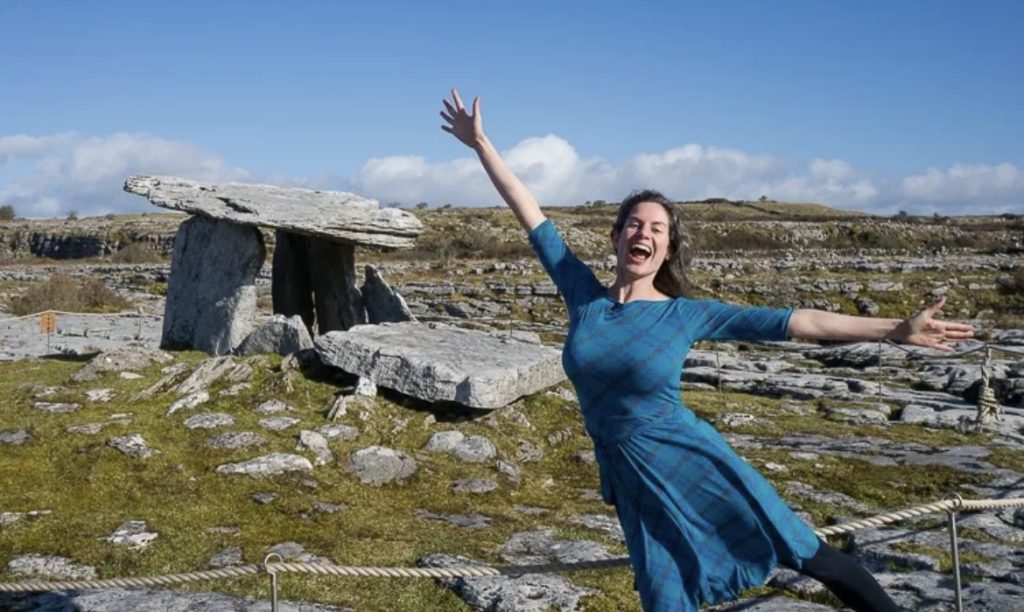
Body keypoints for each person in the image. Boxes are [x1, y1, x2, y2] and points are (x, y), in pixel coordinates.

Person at [440, 89, 975, 612]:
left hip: (695, 457)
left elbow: (798, 322)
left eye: (657, 228)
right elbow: (531, 215)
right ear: (617, 235)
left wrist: (892, 330)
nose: (642, 233)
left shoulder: (684, 313)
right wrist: (482, 145)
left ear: (667, 247)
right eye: (634, 223)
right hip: (633, 477)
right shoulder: (584, 298)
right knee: (665, 596)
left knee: (810, 554)